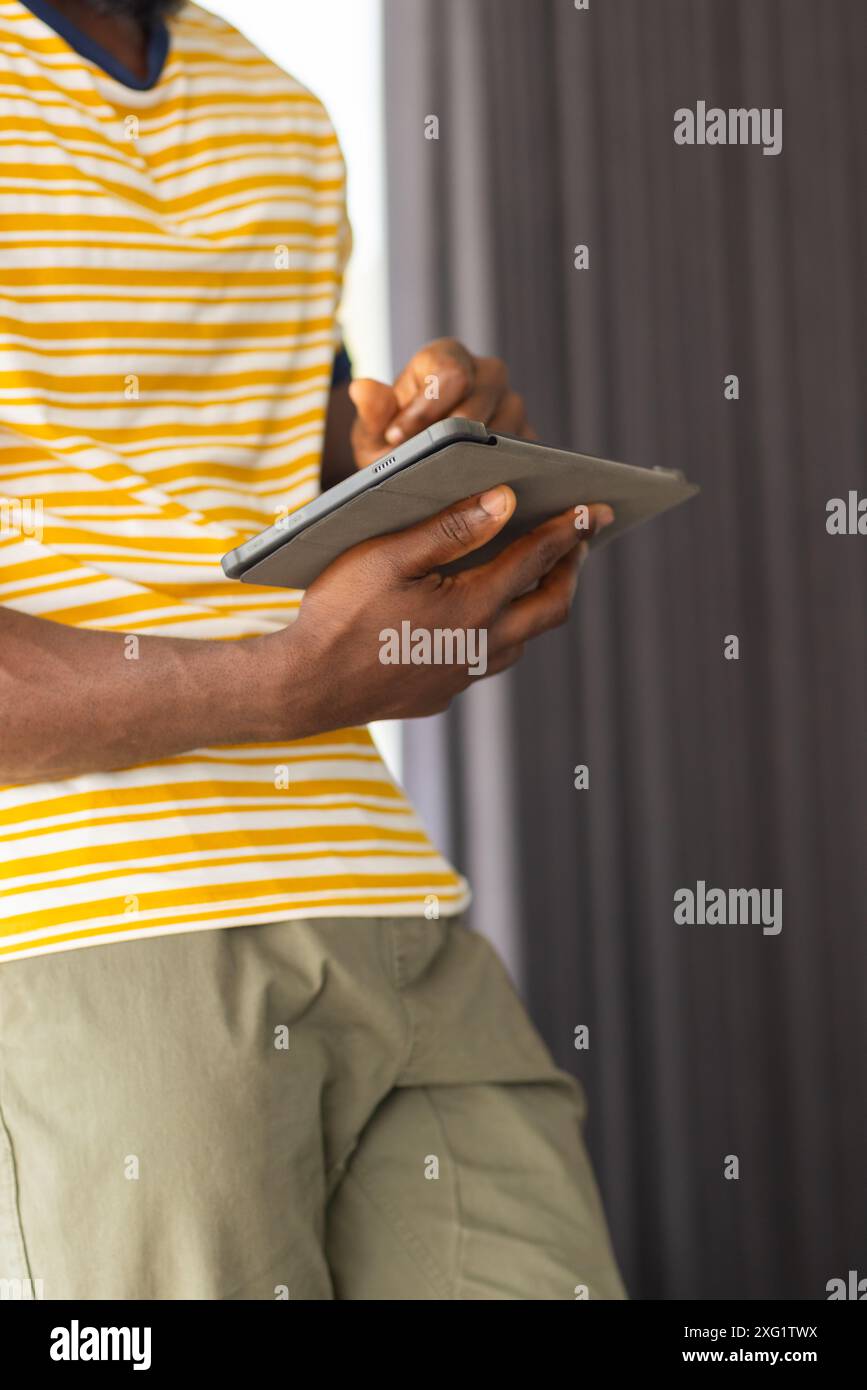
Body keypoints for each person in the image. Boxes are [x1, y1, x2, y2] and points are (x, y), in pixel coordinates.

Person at [0, 0, 625, 1300]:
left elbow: (266, 487)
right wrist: (292, 678)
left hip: (385, 905)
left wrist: (427, 466)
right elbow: (292, 649)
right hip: (98, 928)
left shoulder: (275, 104)